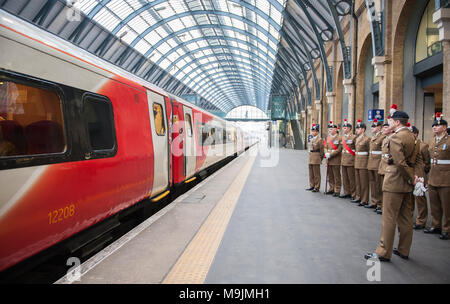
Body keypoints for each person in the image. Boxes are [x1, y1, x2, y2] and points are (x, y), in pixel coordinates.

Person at [365, 107, 417, 261]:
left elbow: (400, 163)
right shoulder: (412, 137)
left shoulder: (395, 137)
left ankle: (383, 251)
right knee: (406, 218)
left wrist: (409, 177)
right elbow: (412, 160)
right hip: (406, 184)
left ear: (397, 122)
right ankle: (404, 249)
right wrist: (412, 178)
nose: (389, 123)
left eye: (391, 121)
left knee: (389, 218)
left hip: (394, 181)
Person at [424, 113, 450, 240]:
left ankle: (447, 229)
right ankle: (436, 225)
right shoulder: (432, 140)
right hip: (433, 175)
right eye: (433, 126)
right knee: (434, 203)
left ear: (444, 128)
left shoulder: (449, 140)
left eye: (438, 125)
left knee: (446, 205)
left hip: (446, 176)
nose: (434, 127)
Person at [411, 126, 430, 230]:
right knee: (410, 197)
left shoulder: (423, 145)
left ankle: (421, 220)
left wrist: (422, 172)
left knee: (420, 198)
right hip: (410, 172)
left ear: (416, 134)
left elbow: (427, 162)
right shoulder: (409, 145)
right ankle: (410, 218)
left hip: (419, 173)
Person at [366, 119, 386, 210]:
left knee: (378, 184)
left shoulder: (383, 137)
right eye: (372, 126)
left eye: (374, 126)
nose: (372, 128)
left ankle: (380, 203)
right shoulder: (373, 136)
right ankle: (374, 201)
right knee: (373, 184)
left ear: (379, 128)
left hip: (378, 163)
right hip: (371, 163)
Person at [351, 120, 370, 206]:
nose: (357, 130)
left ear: (363, 129)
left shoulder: (367, 139)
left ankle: (364, 199)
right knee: (358, 181)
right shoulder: (357, 139)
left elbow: (369, 151)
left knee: (364, 182)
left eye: (358, 129)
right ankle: (358, 197)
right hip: (357, 161)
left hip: (364, 162)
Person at [377, 119, 394, 215]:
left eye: (386, 127)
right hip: (383, 166)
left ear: (391, 129)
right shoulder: (385, 139)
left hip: (389, 166)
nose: (384, 129)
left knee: (388, 189)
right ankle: (382, 205)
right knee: (382, 188)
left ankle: (387, 208)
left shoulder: (394, 138)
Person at [324, 121, 342, 197]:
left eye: (331, 129)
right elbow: (325, 147)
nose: (330, 130)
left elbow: (339, 149)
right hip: (329, 159)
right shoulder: (328, 138)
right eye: (330, 129)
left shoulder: (340, 138)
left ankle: (337, 190)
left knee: (336, 176)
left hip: (335, 159)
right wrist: (326, 153)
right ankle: (331, 188)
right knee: (330, 175)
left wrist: (330, 154)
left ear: (335, 130)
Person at [340, 119, 356, 200]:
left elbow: (356, 149)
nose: (344, 129)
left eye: (345, 128)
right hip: (344, 160)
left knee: (351, 178)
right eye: (343, 128)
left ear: (349, 128)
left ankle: (353, 194)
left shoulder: (354, 137)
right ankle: (347, 192)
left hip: (350, 160)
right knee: (345, 178)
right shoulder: (343, 138)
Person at [306, 124, 324, 193]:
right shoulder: (311, 139)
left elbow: (322, 151)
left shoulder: (319, 140)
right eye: (312, 131)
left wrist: (320, 159)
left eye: (314, 131)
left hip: (316, 157)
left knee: (316, 174)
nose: (313, 132)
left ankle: (317, 187)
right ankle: (312, 185)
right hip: (311, 157)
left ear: (317, 132)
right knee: (311, 173)